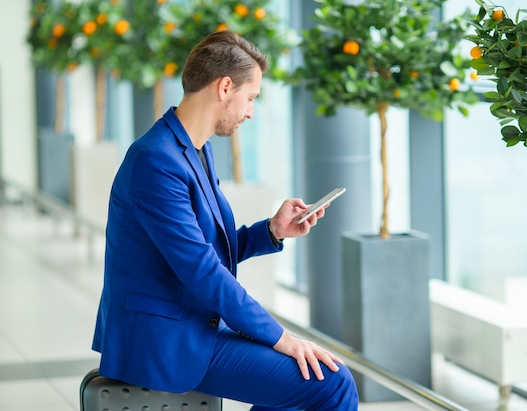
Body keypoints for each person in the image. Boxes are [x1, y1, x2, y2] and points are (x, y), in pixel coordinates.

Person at [91, 31, 359, 410]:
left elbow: (202, 247)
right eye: (251, 98)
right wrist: (280, 337)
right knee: (330, 383)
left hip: (193, 321)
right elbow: (201, 270)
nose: (250, 111)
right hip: (167, 338)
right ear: (225, 87)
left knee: (311, 378)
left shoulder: (193, 149)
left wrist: (271, 231)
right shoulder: (156, 161)